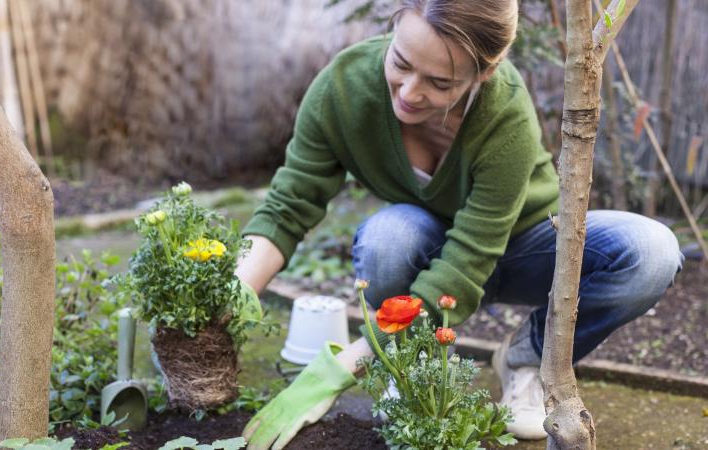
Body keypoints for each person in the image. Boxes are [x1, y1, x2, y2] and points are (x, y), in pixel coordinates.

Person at [234, 0, 684, 448]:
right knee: (388, 237)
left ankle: (526, 357)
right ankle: (414, 364)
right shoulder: (344, 89)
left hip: (526, 246)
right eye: (400, 63)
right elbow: (288, 206)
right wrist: (230, 300)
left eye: (439, 82)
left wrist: (346, 363)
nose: (409, 92)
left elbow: (468, 261)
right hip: (431, 249)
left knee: (652, 251)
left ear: (483, 74)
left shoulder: (502, 110)